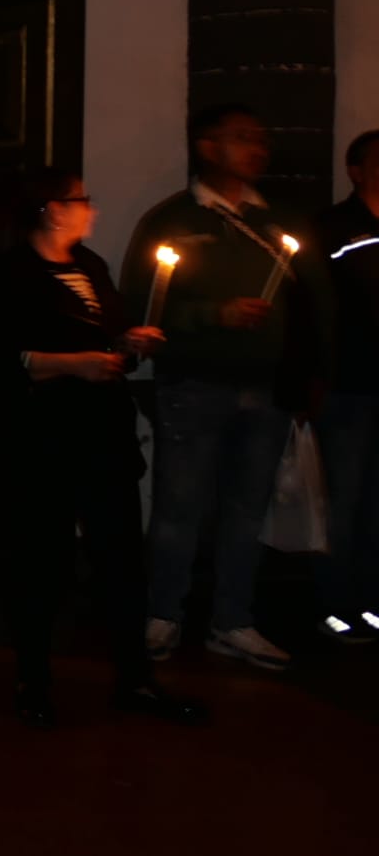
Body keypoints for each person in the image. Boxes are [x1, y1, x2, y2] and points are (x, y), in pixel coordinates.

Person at [0, 169, 207, 728]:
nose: (91, 209)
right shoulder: (10, 275)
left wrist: (128, 343)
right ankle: (33, 680)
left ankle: (135, 679)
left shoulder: (91, 266)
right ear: (51, 209)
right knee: (41, 561)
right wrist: (69, 365)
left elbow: (108, 339)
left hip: (102, 437)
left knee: (122, 560)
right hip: (42, 440)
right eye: (81, 200)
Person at [121, 104, 297, 671]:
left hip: (264, 389)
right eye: (242, 137)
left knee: (247, 510)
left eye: (261, 138)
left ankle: (233, 620)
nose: (257, 148)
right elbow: (145, 307)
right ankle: (162, 615)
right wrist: (214, 315)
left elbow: (308, 302)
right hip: (194, 385)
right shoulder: (174, 220)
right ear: (207, 146)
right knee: (179, 507)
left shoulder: (275, 223)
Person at [311, 130, 379, 644]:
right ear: (355, 170)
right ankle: (336, 607)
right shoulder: (336, 228)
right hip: (350, 385)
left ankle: (373, 604)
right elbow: (323, 308)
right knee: (344, 499)